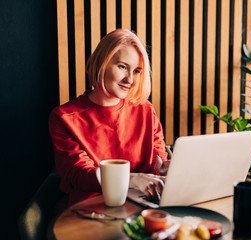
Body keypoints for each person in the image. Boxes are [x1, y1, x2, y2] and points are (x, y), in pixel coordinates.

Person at [49, 28, 169, 208]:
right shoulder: (64, 117)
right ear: (101, 63)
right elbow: (79, 174)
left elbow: (157, 158)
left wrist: (161, 168)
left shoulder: (145, 110)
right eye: (122, 67)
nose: (130, 79)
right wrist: (132, 179)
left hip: (141, 207)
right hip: (91, 210)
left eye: (136, 71)